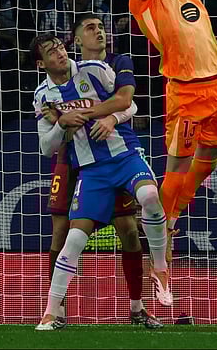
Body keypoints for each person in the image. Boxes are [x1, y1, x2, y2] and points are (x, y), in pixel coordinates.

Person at [32, 34, 171, 330]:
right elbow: (46, 147)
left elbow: (128, 104)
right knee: (69, 235)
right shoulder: (44, 95)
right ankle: (52, 311)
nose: (58, 52)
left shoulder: (94, 69)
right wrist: (60, 124)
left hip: (122, 156)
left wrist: (112, 118)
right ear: (40, 63)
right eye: (50, 51)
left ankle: (148, 290)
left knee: (134, 221)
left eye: (59, 46)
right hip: (86, 167)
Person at [129, 0, 217, 280]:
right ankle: (163, 227)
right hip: (185, 92)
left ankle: (171, 214)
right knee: (178, 165)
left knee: (207, 163)